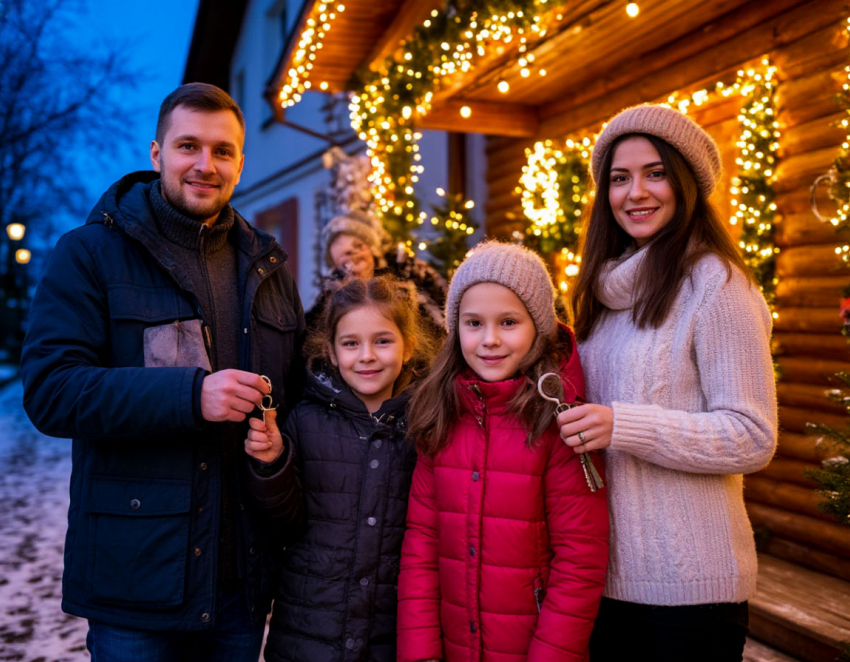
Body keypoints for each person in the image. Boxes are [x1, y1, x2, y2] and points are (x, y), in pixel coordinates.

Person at [20, 83, 304, 661]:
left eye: (222, 151)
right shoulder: (90, 253)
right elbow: (51, 390)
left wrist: (278, 452)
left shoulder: (268, 268)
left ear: (240, 163)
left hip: (241, 586)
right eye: (188, 146)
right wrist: (190, 396)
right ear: (156, 154)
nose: (205, 165)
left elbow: (297, 400)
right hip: (136, 583)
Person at [558, 104, 778, 661]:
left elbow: (752, 435)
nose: (636, 192)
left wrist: (623, 425)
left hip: (690, 594)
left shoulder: (717, 285)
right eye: (619, 178)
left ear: (686, 183)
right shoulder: (601, 296)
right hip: (600, 579)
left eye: (655, 173)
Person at [397, 241, 609, 662]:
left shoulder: (559, 421)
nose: (490, 340)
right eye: (474, 323)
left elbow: (580, 560)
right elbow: (422, 542)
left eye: (508, 322)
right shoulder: (440, 412)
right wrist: (420, 652)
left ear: (539, 327)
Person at [244, 275, 435, 662]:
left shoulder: (426, 424)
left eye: (382, 341)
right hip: (309, 632)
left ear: (409, 346)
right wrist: (272, 464)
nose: (366, 356)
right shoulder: (305, 420)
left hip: (389, 633)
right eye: (351, 344)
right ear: (331, 352)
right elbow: (284, 523)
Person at [307, 209, 448, 336]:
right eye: (345, 257)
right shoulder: (331, 294)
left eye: (359, 246)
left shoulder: (402, 266)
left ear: (371, 248)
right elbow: (312, 332)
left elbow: (441, 298)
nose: (355, 256)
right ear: (336, 266)